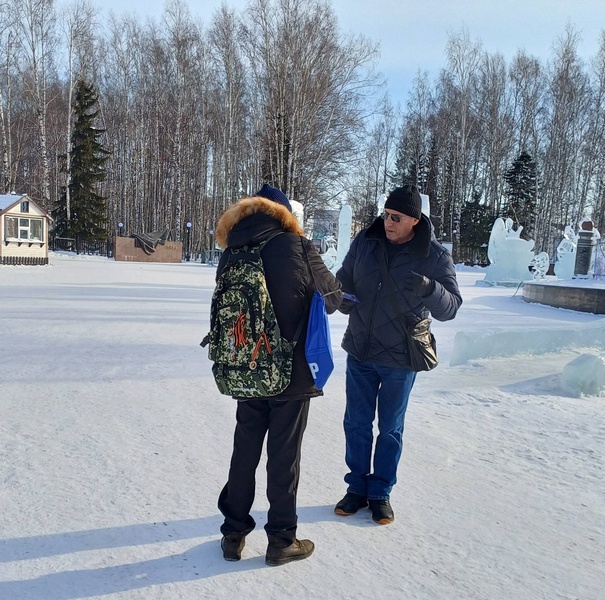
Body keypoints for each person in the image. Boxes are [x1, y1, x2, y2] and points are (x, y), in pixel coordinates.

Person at [215, 184, 342, 565]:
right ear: (286, 215)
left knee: (245, 450)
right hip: (291, 372)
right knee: (283, 457)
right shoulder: (297, 246)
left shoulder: (233, 251)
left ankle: (233, 534)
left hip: (247, 366)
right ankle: (281, 540)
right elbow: (332, 297)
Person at [334, 184, 462, 524]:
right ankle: (356, 488)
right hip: (360, 350)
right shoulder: (366, 241)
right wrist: (340, 297)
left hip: (401, 359)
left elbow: (451, 308)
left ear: (415, 221)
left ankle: (380, 493)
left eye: (396, 218)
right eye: (386, 215)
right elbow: (343, 278)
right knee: (356, 424)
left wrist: (429, 288)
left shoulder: (435, 256)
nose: (388, 222)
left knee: (390, 428)